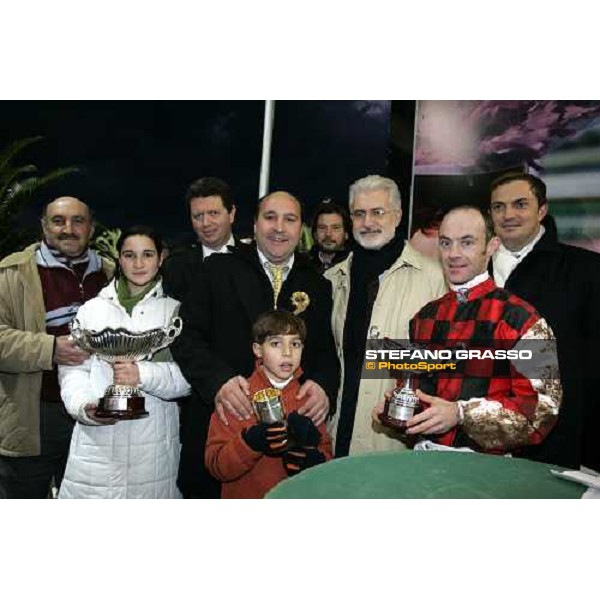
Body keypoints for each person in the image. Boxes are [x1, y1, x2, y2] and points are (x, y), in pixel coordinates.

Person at [172, 191, 339, 498]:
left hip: (288, 450)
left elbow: (326, 351)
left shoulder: (317, 283)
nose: (279, 227)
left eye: (290, 219)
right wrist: (218, 381)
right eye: (270, 217)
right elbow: (185, 336)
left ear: (301, 228)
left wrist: (324, 388)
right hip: (221, 424)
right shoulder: (217, 270)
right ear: (255, 223)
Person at [373, 205, 562, 455]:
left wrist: (462, 414)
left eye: (467, 243)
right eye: (446, 243)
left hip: (485, 470)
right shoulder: (424, 318)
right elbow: (421, 398)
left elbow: (542, 412)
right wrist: (395, 413)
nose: (454, 254)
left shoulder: (522, 319)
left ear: (492, 246)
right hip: (423, 462)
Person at [57, 226, 190, 498]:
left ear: (160, 258)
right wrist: (84, 406)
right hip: (95, 450)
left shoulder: (176, 311)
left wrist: (142, 374)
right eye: (129, 255)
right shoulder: (92, 309)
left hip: (152, 452)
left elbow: (188, 379)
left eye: (147, 254)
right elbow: (73, 368)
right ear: (119, 259)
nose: (138, 264)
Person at [325, 175, 447, 457]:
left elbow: (445, 364)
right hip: (335, 437)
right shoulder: (332, 281)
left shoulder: (434, 281)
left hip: (394, 446)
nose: (368, 222)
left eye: (378, 212)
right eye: (359, 213)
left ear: (398, 214)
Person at [0, 196, 112, 499]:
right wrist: (49, 348)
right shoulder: (11, 274)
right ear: (44, 225)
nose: (68, 229)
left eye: (78, 221)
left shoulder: (112, 275)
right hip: (34, 415)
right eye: (58, 221)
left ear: (90, 228)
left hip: (95, 417)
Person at [489, 172, 600, 469]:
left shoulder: (586, 270)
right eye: (498, 207)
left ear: (542, 210)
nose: (508, 214)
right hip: (478, 435)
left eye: (520, 204)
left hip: (556, 440)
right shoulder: (469, 268)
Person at [205, 310, 332, 498]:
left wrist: (314, 460)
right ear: (258, 350)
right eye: (276, 343)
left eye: (295, 344)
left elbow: (327, 455)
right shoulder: (237, 399)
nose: (287, 352)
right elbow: (216, 466)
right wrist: (248, 443)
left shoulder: (309, 400)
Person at [162, 176, 238, 299]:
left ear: (231, 214)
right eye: (198, 216)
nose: (205, 223)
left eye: (213, 213)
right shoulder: (174, 268)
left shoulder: (256, 260)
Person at [308, 199, 352, 274]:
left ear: (346, 234)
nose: (328, 234)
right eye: (322, 227)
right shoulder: (302, 266)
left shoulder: (356, 266)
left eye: (335, 228)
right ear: (315, 234)